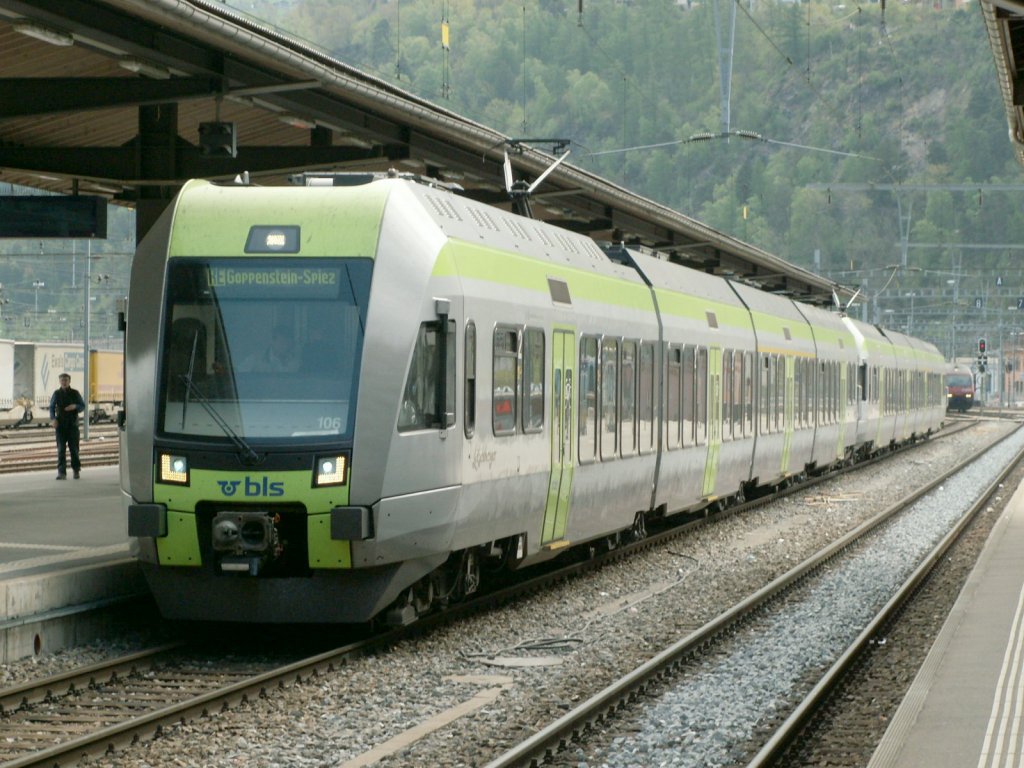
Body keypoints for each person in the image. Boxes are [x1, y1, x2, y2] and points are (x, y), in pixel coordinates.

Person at [49, 372, 85, 480]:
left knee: (74, 449)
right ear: (60, 382)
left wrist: (75, 406)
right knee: (61, 449)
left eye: (66, 380)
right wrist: (53, 419)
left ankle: (76, 470)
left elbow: (82, 406)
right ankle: (61, 473)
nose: (64, 382)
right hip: (60, 426)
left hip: (73, 425)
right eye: (62, 380)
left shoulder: (75, 393)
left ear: (69, 381)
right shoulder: (56, 393)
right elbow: (51, 407)